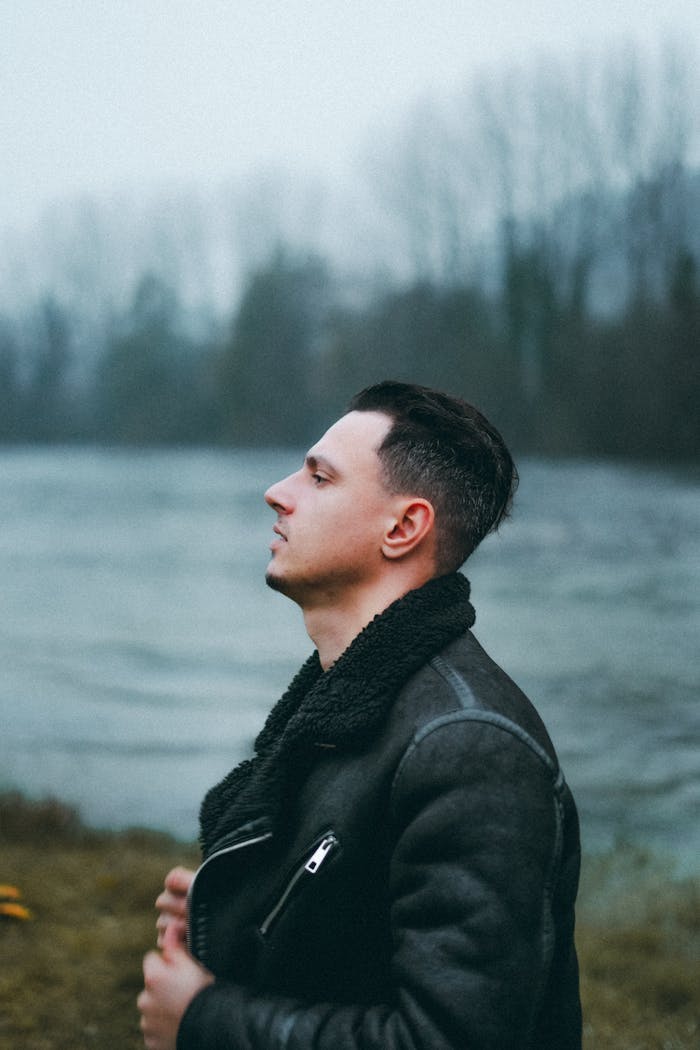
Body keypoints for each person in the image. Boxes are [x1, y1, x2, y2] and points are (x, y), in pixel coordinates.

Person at [138, 381, 582, 1050]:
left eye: (319, 477)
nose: (277, 491)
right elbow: (353, 916)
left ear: (403, 528)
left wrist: (205, 1021)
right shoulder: (349, 698)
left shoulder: (469, 749)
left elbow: (452, 1038)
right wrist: (239, 906)